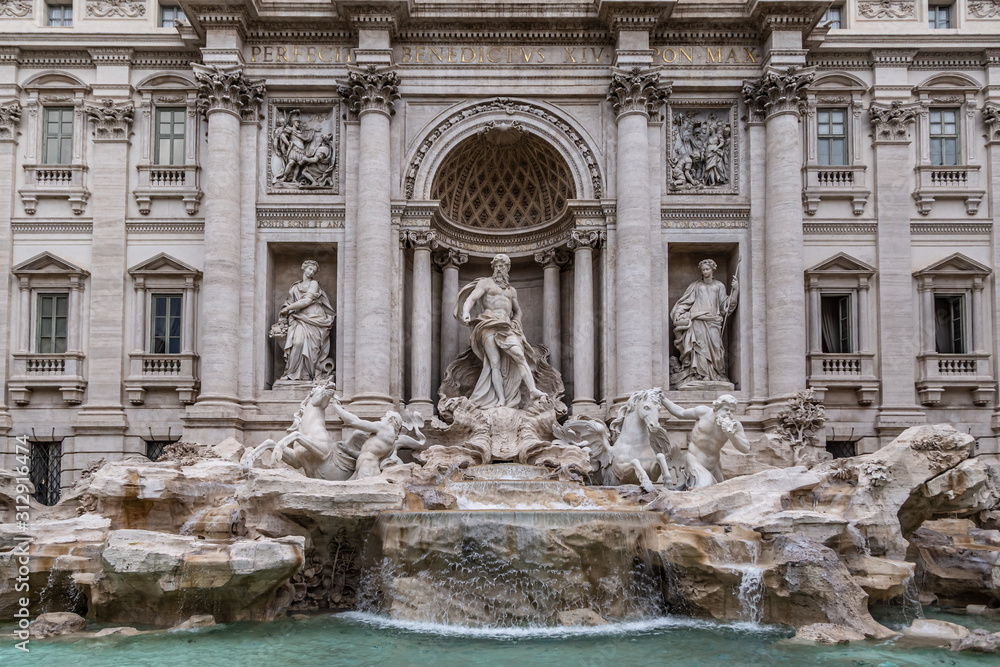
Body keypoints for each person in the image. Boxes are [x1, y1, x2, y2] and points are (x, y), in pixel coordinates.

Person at [456, 253, 547, 408]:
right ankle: (501, 399)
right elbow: (471, 299)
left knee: (519, 355)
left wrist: (516, 321)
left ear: (507, 269)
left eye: (502, 266)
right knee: (495, 363)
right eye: (497, 266)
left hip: (506, 326)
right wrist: (465, 313)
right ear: (493, 268)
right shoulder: (486, 283)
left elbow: (518, 311)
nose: (499, 269)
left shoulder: (511, 291)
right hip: (488, 323)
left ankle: (532, 390)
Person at [658, 393, 751, 486]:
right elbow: (681, 413)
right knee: (705, 487)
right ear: (716, 409)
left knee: (720, 492)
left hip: (714, 466)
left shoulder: (735, 426)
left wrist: (731, 434)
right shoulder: (703, 412)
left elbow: (745, 448)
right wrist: (663, 399)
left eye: (732, 411)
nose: (728, 413)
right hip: (694, 461)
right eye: (726, 409)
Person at [670, 258, 737, 384]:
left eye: (707, 269)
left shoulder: (719, 286)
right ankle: (700, 375)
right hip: (698, 321)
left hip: (713, 321)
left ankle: (715, 373)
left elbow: (725, 306)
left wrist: (735, 291)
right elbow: (685, 302)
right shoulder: (696, 286)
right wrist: (678, 313)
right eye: (703, 270)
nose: (705, 272)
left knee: (716, 348)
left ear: (712, 270)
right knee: (699, 348)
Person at [278, 260, 336, 381]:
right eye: (309, 269)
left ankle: (307, 374)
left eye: (313, 271)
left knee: (312, 348)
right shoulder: (295, 287)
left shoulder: (314, 283)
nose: (311, 272)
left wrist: (288, 308)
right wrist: (285, 310)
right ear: (303, 268)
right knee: (297, 343)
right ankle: (292, 373)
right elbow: (290, 301)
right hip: (299, 317)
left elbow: (307, 301)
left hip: (314, 317)